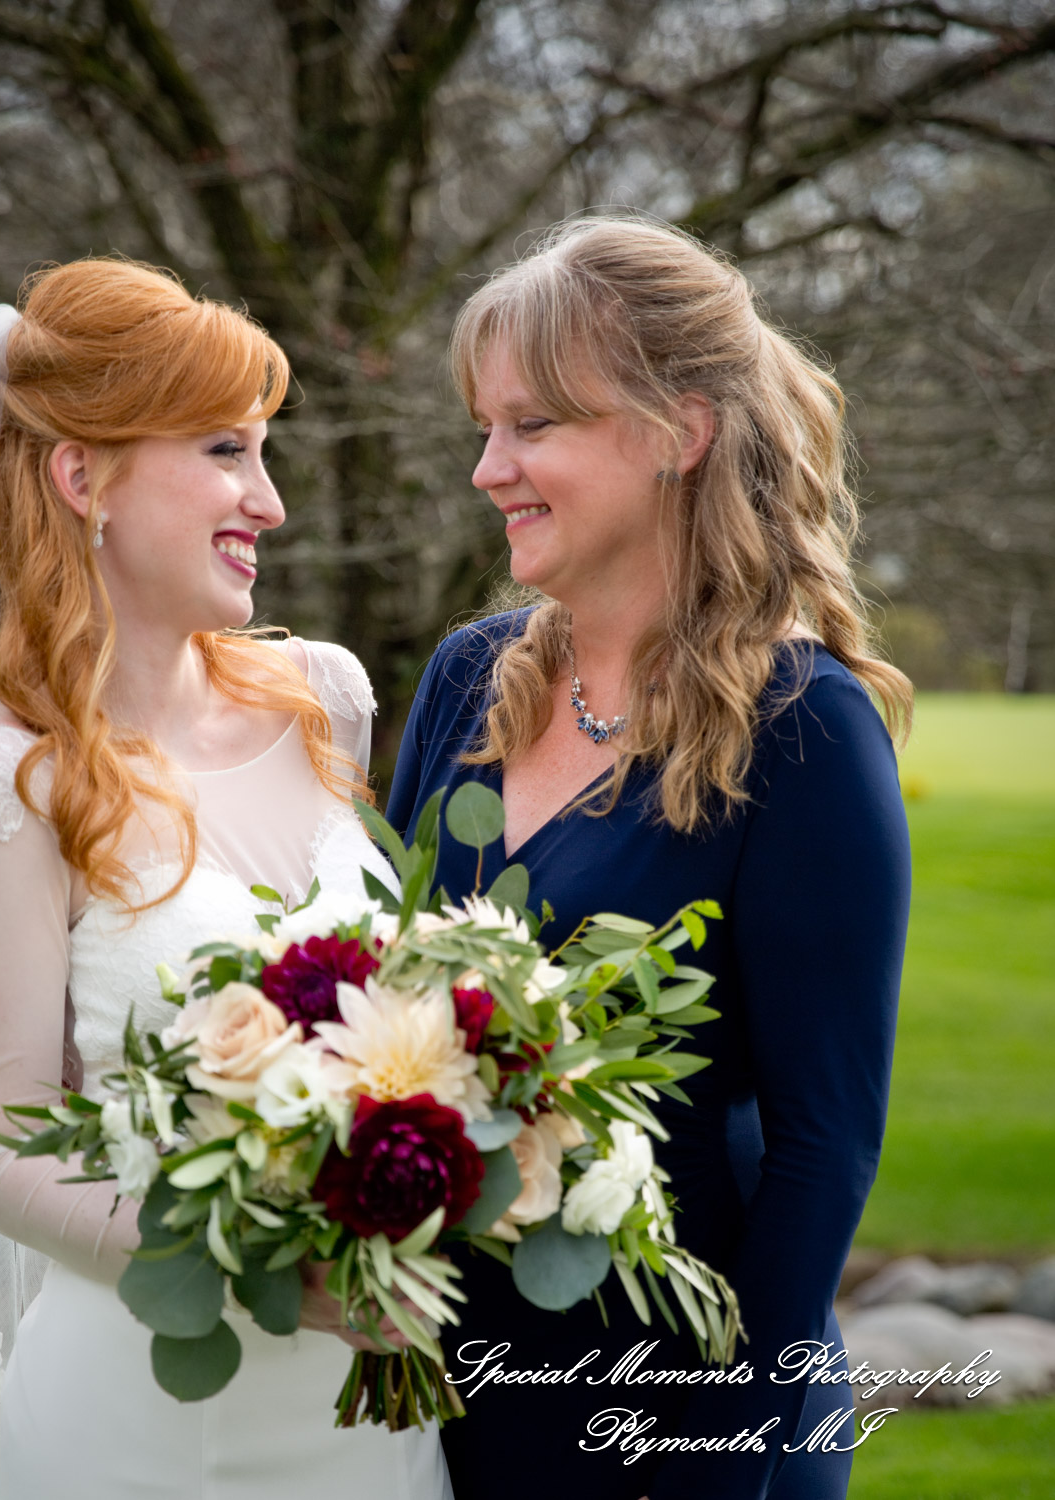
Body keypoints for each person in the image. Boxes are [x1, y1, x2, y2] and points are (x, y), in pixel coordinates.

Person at [0, 259, 452, 1500]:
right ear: (84, 478)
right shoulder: (8, 788)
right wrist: (258, 1261)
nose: (268, 502)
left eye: (265, 453)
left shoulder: (325, 701)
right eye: (227, 451)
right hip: (150, 1420)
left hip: (370, 1418)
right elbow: (0, 1154)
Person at [385, 217, 912, 1500]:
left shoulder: (798, 728)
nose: (487, 467)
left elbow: (821, 1149)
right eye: (484, 425)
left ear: (678, 434)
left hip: (676, 1404)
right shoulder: (468, 680)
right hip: (447, 1384)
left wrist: (714, 1441)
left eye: (532, 427)